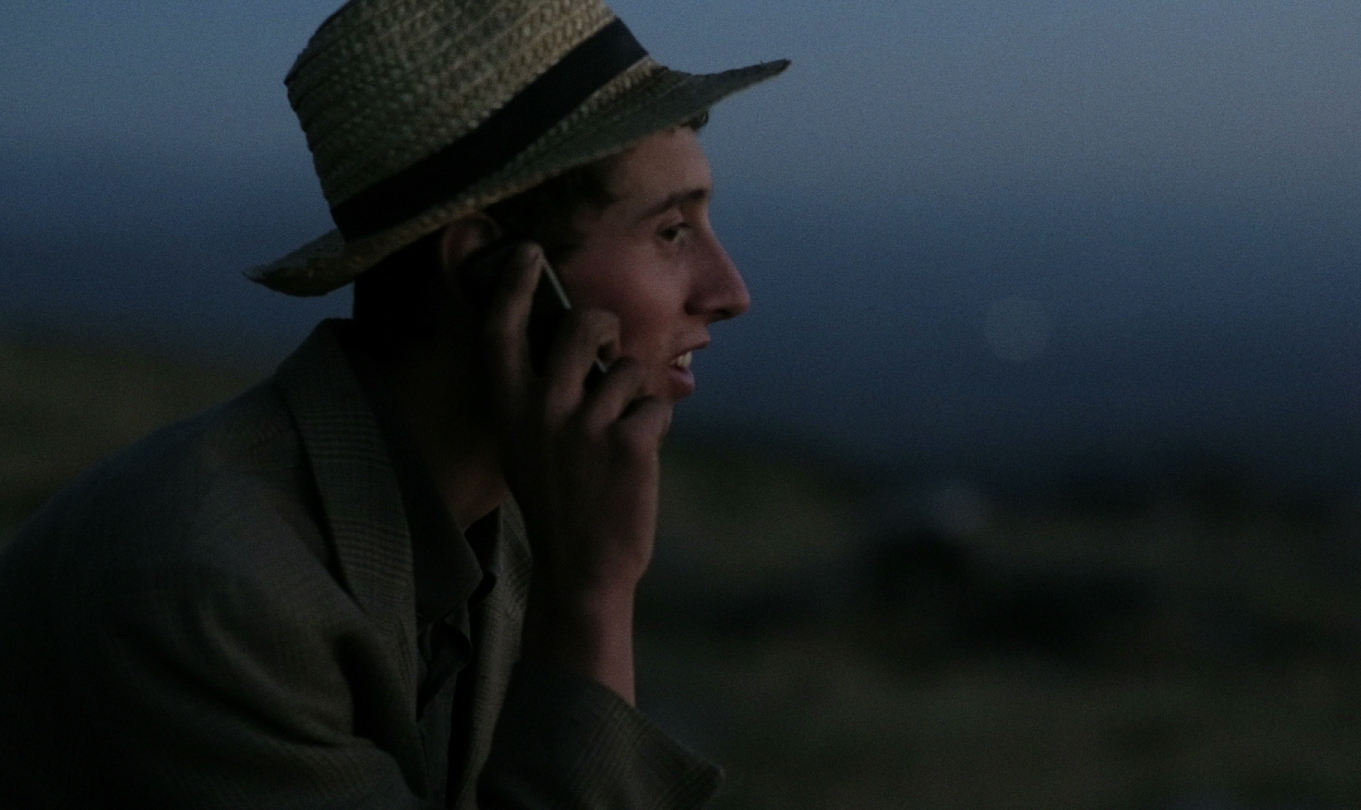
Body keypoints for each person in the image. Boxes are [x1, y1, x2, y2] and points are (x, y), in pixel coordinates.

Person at [0, 0, 787, 807]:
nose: (730, 292)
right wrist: (590, 595)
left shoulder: (503, 526)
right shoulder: (212, 589)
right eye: (669, 233)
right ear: (490, 270)